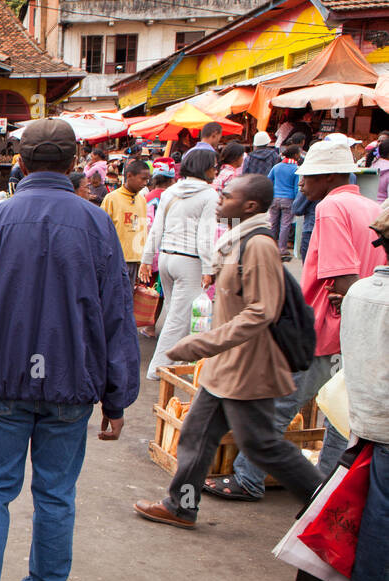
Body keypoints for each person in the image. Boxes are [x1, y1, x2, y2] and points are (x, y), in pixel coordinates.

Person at [0, 119, 139, 581]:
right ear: (74, 163)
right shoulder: (96, 223)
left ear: (20, 164)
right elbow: (118, 316)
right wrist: (118, 397)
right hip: (71, 387)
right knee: (56, 496)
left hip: (4, 384)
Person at [135, 175, 321, 528]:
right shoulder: (239, 239)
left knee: (261, 445)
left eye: (227, 195)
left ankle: (326, 505)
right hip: (226, 366)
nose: (219, 200)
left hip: (248, 368)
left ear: (250, 206)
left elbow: (261, 310)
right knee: (197, 436)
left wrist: (201, 343)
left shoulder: (259, 246)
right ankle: (182, 506)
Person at [207, 140, 383, 501]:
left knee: (278, 404)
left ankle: (247, 478)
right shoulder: (370, 206)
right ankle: (326, 490)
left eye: (309, 178)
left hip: (323, 328)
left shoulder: (332, 207)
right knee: (339, 415)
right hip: (356, 330)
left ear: (330, 176)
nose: (301, 185)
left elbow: (343, 275)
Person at [139, 148, 218, 379]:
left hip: (166, 258)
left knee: (176, 312)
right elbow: (205, 236)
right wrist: (208, 268)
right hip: (189, 262)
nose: (216, 170)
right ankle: (158, 368)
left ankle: (176, 360)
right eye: (213, 165)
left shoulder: (171, 191)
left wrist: (147, 259)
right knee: (179, 318)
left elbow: (156, 229)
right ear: (204, 168)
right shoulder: (209, 195)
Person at [339, 262, 389, 581]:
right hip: (382, 417)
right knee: (381, 506)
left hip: (363, 411)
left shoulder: (359, 290)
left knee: (374, 499)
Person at [101, 159, 151, 292]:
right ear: (129, 176)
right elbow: (102, 229)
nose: (145, 183)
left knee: (129, 299)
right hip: (116, 259)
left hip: (135, 259)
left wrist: (143, 260)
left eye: (148, 180)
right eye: (143, 179)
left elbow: (142, 230)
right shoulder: (111, 199)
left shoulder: (141, 200)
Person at [268, 144, 302, 255]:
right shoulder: (296, 169)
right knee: (285, 225)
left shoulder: (276, 167)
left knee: (273, 223)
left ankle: (270, 246)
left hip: (274, 198)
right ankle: (282, 248)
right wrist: (297, 201)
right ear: (295, 155)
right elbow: (297, 188)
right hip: (288, 199)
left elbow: (269, 181)